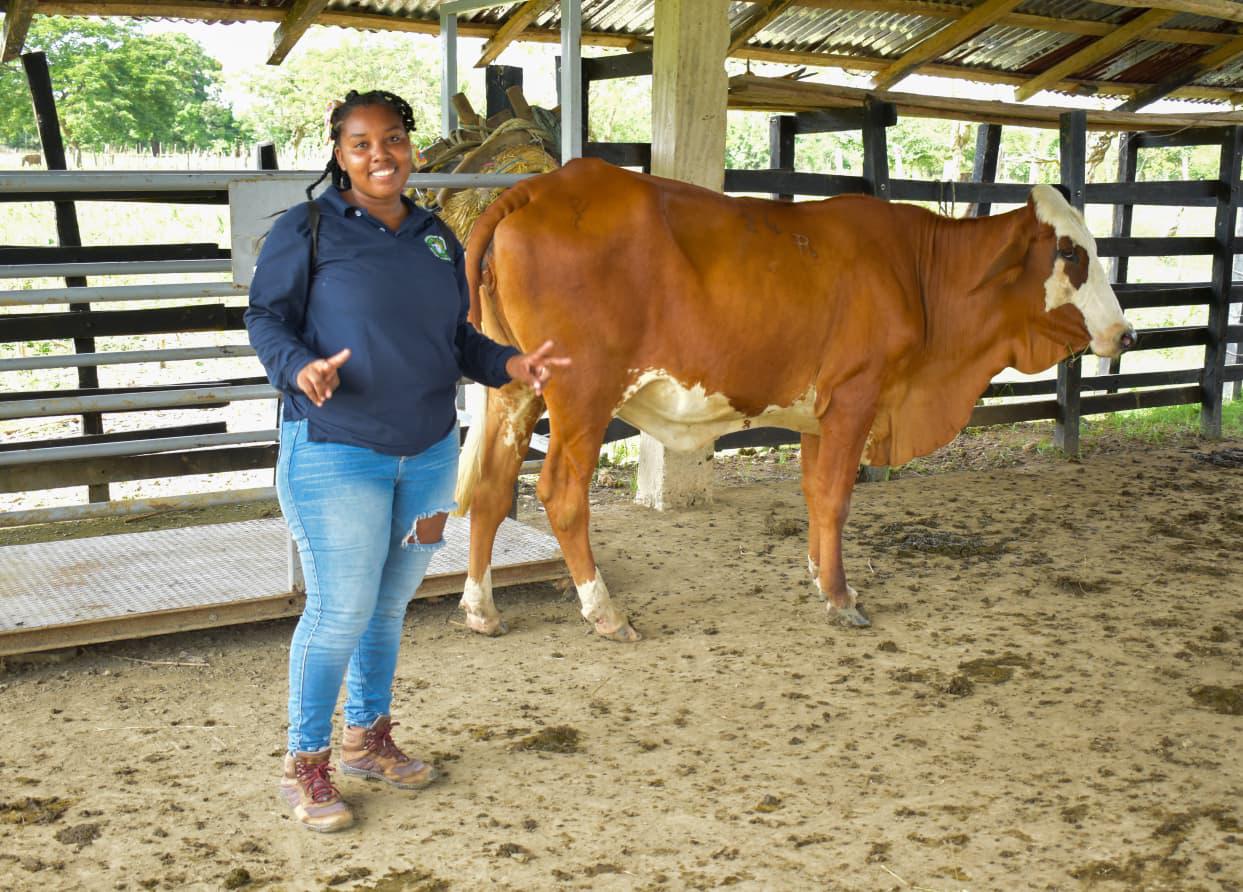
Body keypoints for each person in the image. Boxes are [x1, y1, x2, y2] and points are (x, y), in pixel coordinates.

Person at [244, 89, 569, 833]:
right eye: (360, 143)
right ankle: (305, 763)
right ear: (339, 153)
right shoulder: (308, 229)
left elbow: (454, 339)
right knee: (339, 610)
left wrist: (510, 364)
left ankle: (366, 738)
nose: (379, 155)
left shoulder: (434, 237)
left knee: (388, 606)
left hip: (426, 454)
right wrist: (298, 367)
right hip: (336, 449)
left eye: (391, 139)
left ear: (410, 147)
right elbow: (265, 317)